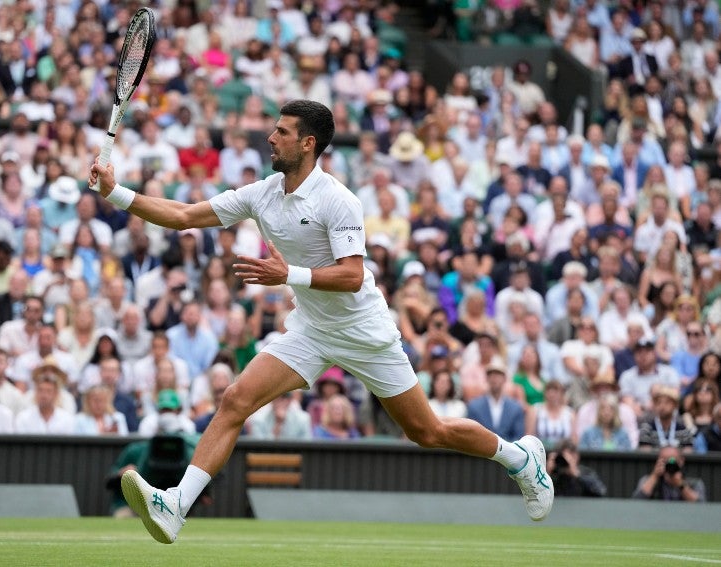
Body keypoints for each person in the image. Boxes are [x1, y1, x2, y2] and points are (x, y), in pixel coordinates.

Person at [91, 100, 553, 544]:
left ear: (308, 143)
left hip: (364, 332)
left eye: (282, 132)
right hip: (311, 329)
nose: (270, 138)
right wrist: (116, 192)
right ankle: (175, 507)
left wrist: (285, 274)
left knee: (426, 431)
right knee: (235, 400)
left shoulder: (339, 200)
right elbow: (184, 215)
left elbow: (352, 276)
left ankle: (519, 458)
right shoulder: (263, 193)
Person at [632, 446, 706, 501]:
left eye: (672, 460)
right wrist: (654, 476)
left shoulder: (694, 483)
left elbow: (701, 505)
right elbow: (636, 501)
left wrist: (680, 485)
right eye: (664, 460)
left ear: (681, 461)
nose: (669, 464)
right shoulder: (647, 480)